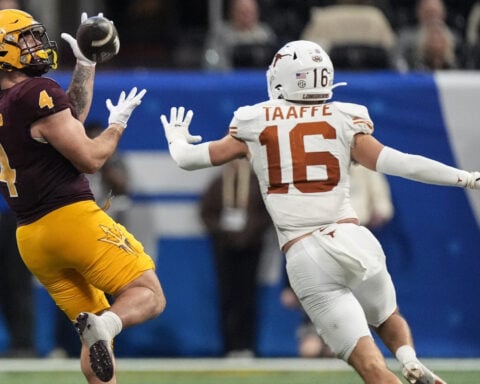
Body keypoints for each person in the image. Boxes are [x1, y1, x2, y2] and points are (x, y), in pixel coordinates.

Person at [158, 40, 477, 383]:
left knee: (370, 368)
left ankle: (399, 371)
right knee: (386, 316)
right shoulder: (344, 117)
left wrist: (177, 138)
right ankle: (410, 358)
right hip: (353, 238)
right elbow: (402, 163)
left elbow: (188, 160)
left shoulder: (255, 120)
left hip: (305, 253)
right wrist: (465, 178)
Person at [0, 9, 165, 384]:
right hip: (71, 220)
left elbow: (65, 118)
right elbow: (90, 157)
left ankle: (102, 328)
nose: (35, 45)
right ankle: (106, 324)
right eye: (24, 39)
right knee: (148, 294)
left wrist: (86, 64)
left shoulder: (15, 102)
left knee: (95, 339)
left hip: (31, 238)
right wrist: (117, 126)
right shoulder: (35, 93)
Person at [199, 158, 272, 357]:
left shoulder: (257, 184)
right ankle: (229, 347)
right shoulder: (219, 183)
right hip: (224, 248)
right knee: (227, 297)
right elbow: (206, 213)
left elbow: (267, 214)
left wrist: (249, 233)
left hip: (251, 247)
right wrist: (224, 232)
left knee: (248, 297)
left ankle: (248, 346)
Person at [203, 0, 278, 71]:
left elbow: (274, 61)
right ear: (232, 12)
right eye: (242, 12)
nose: (246, 16)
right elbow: (212, 59)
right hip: (229, 79)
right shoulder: (221, 34)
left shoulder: (265, 34)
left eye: (249, 12)